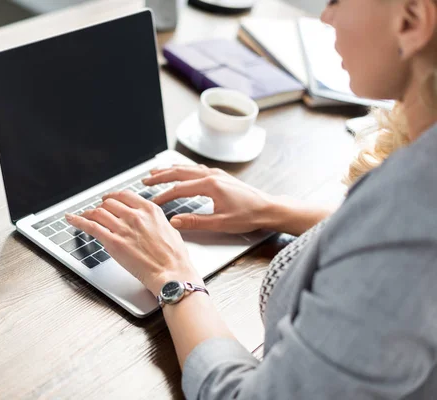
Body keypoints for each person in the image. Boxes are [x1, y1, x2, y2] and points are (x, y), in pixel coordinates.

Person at [66, 0, 437, 397]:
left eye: (336, 0)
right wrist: (275, 210)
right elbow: (383, 241)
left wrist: (172, 277)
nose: (325, 17)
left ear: (412, 20)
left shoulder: (415, 211)